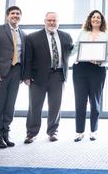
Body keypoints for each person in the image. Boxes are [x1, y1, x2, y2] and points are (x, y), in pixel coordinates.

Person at [23, 12, 73, 144]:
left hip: (58, 75)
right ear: (44, 21)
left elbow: (72, 53)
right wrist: (26, 76)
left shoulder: (66, 36)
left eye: (54, 20)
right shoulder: (32, 37)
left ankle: (53, 131)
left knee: (55, 105)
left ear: (58, 22)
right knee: (35, 106)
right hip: (37, 77)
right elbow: (28, 58)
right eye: (49, 20)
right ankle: (31, 133)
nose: (52, 23)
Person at [0, 6, 26, 148]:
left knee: (10, 106)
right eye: (12, 13)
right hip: (0, 73)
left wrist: (24, 75)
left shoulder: (23, 33)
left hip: (16, 72)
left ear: (21, 16)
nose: (15, 15)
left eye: (18, 13)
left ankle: (5, 134)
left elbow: (23, 55)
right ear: (7, 16)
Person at [72, 10, 108, 142]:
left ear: (102, 21)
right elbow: (76, 49)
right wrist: (71, 56)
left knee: (95, 102)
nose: (95, 19)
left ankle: (94, 131)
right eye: (93, 17)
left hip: (97, 69)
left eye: (98, 18)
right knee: (80, 101)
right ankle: (79, 132)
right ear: (90, 19)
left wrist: (100, 61)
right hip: (80, 69)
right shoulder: (83, 33)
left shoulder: (106, 35)